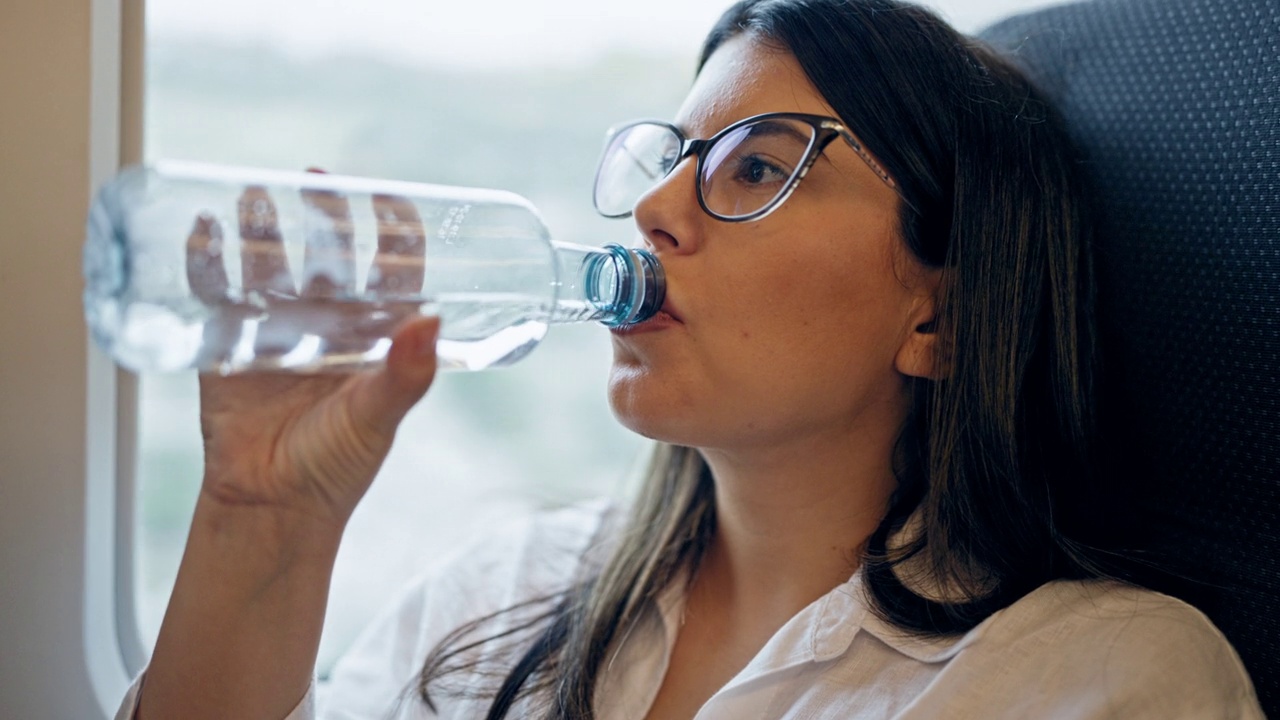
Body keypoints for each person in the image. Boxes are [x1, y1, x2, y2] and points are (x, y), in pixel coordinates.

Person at [119, 0, 1265, 718]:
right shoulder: (500, 596)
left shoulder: (1103, 680)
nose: (657, 209)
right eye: (669, 160)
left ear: (941, 323)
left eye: (758, 169)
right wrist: (259, 520)